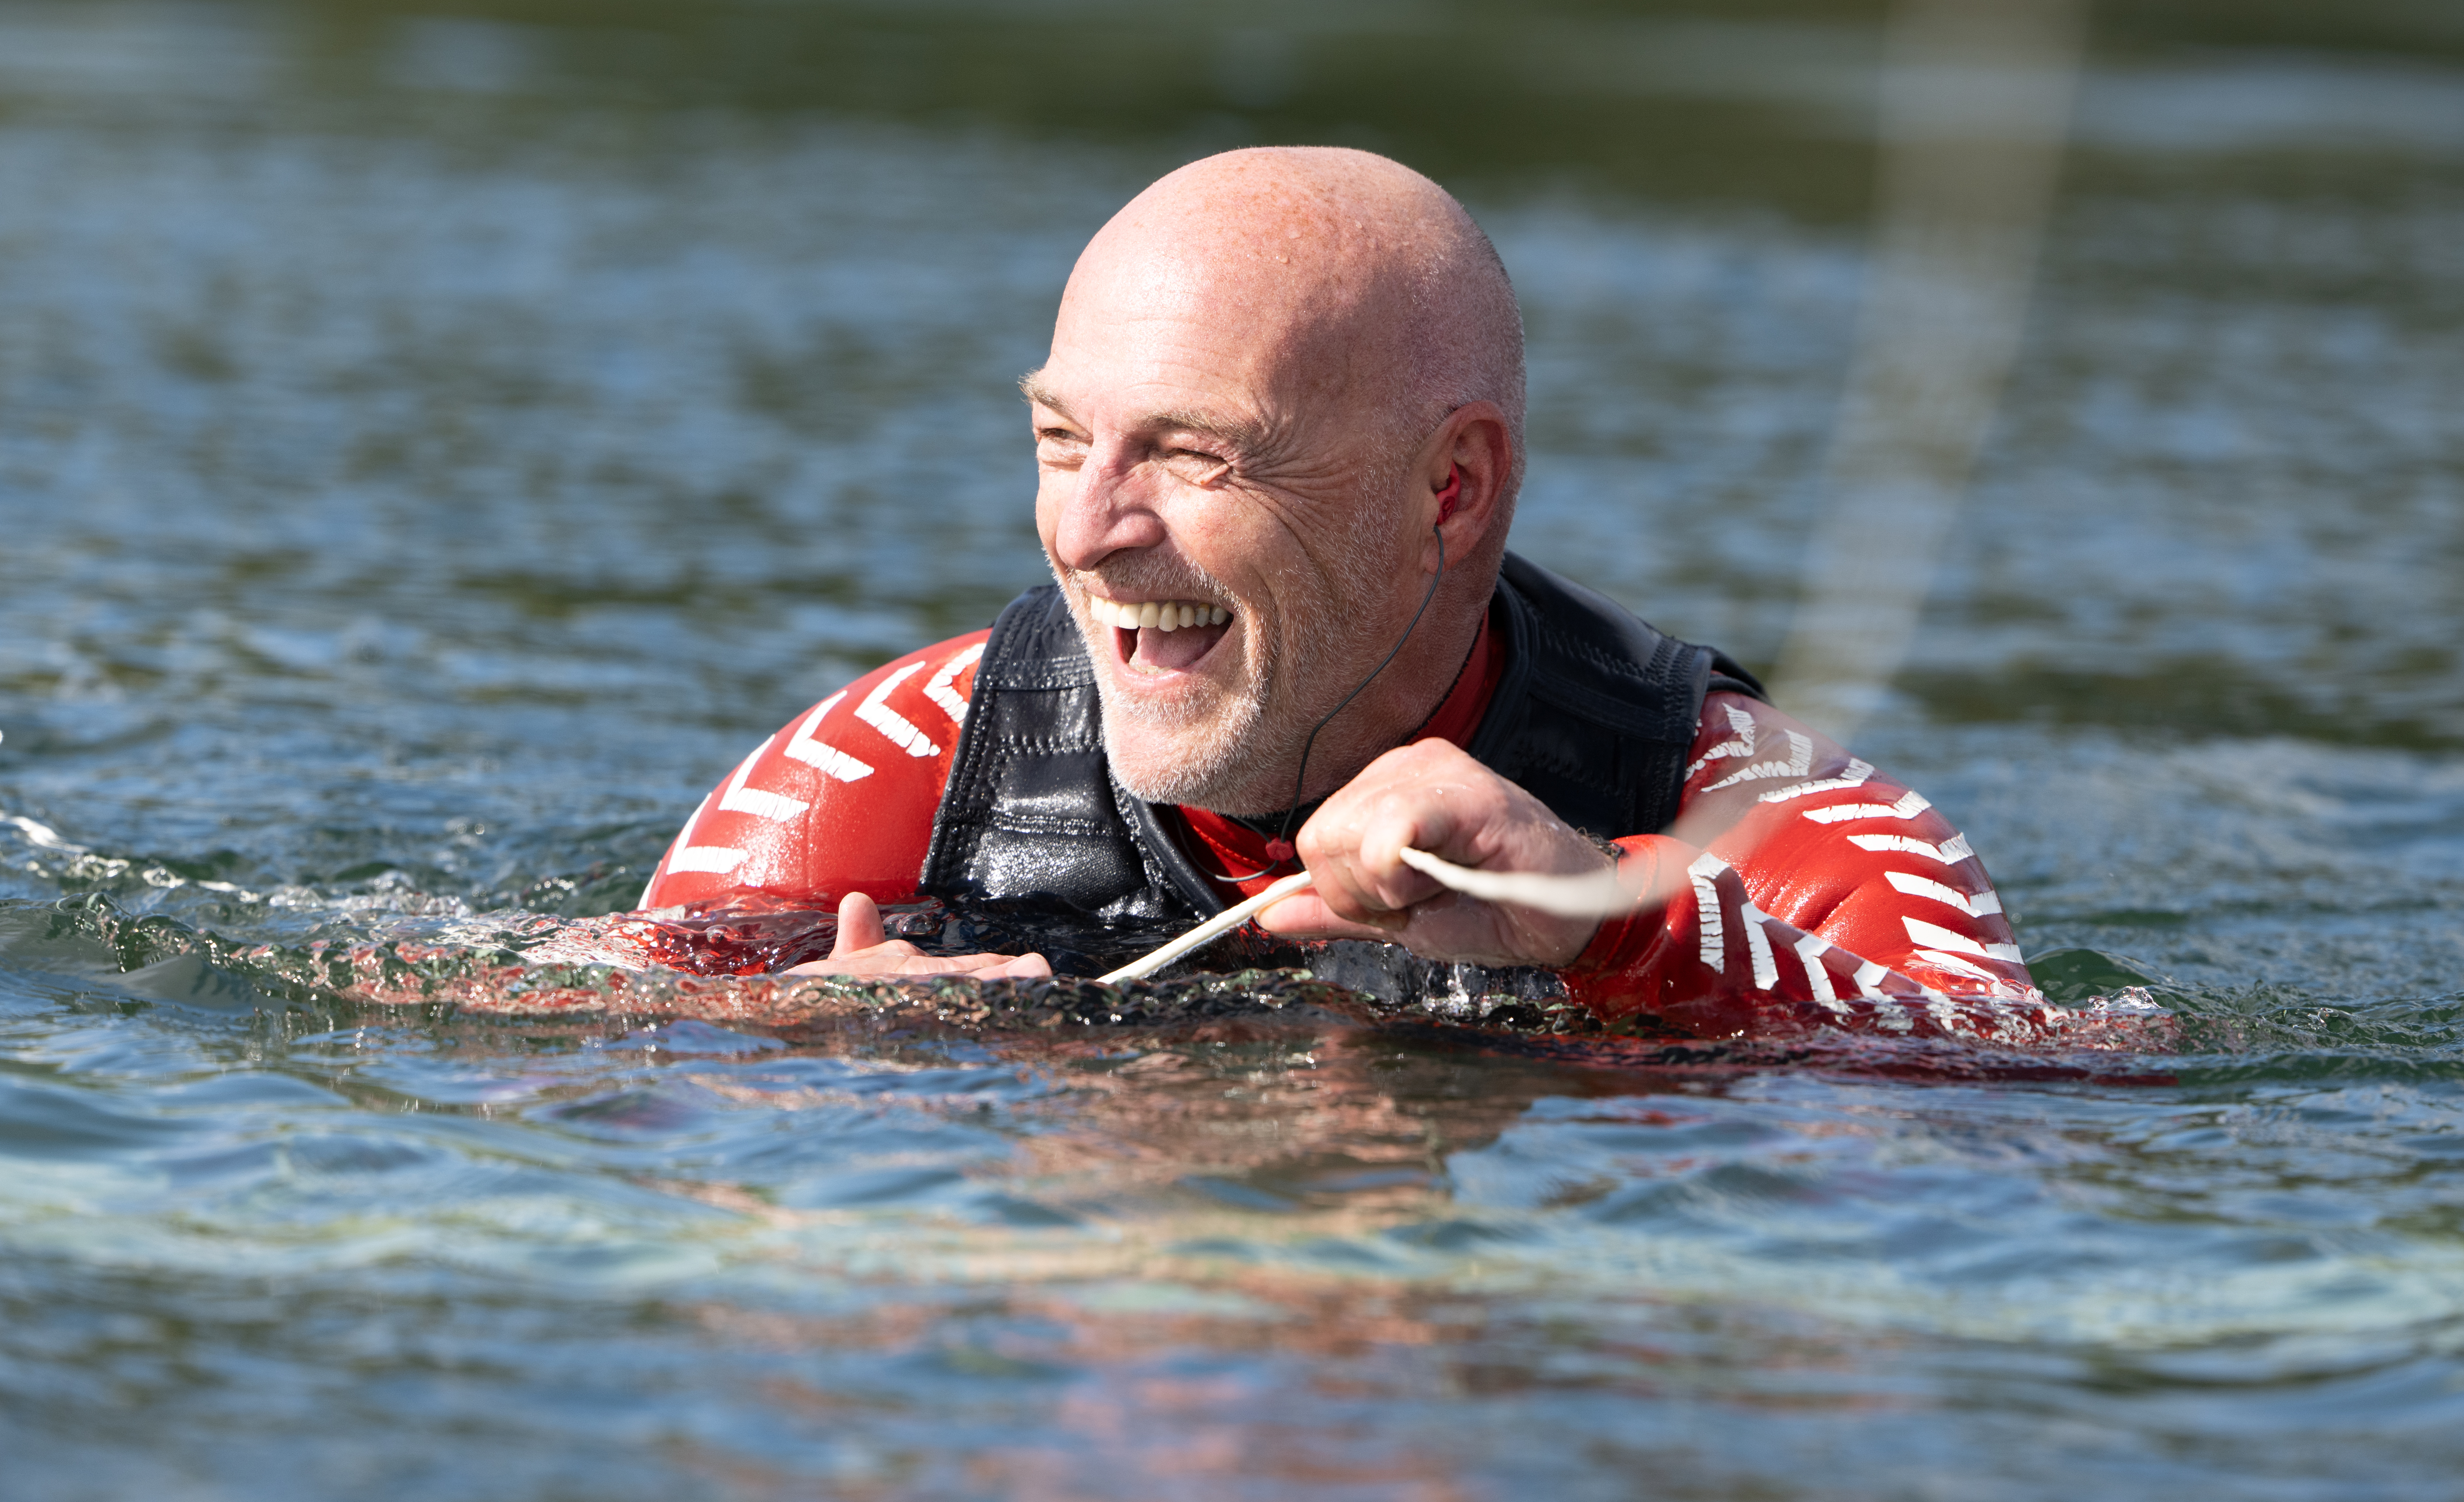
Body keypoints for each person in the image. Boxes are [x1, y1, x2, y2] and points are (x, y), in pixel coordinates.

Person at [634, 146, 2039, 1025]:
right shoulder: (907, 765)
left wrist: (1617, 926)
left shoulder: (1753, 815)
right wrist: (787, 1050)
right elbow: (515, 1040)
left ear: (1452, 489)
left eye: (1198, 456)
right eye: (1062, 440)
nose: (1085, 528)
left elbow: (2030, 1105)